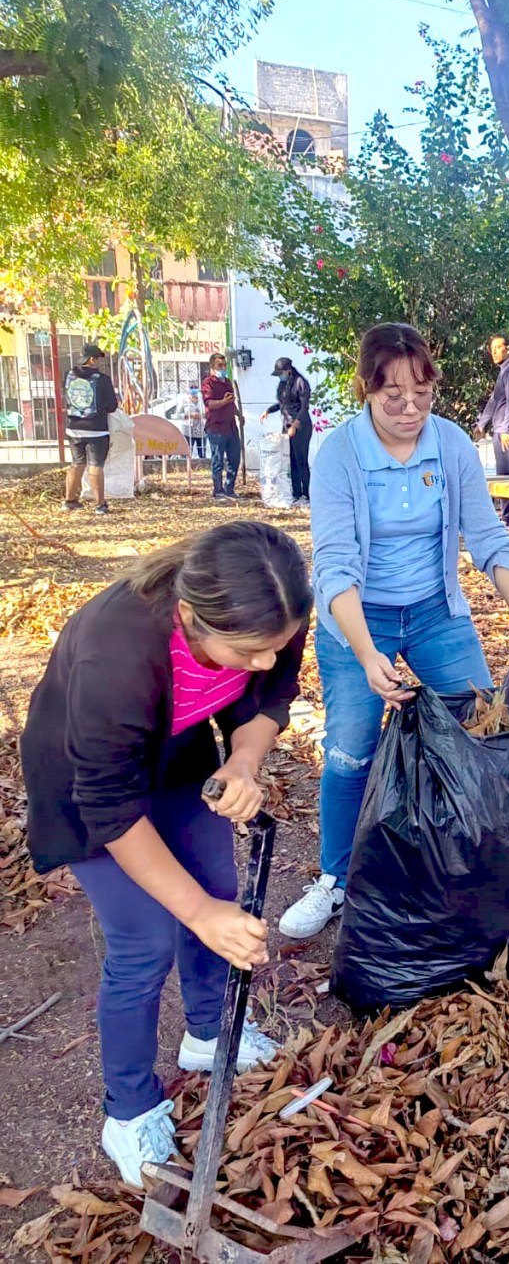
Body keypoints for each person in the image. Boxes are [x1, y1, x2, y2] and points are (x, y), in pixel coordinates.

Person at [21, 522, 311, 1186]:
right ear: (189, 618)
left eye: (275, 644)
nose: (266, 659)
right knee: (146, 937)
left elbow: (274, 691)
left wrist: (243, 760)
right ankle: (127, 1107)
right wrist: (198, 912)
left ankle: (209, 1035)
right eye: (248, 650)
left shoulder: (272, 612)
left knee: (216, 885)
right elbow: (110, 804)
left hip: (178, 757)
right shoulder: (115, 651)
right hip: (88, 790)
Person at [278, 322, 509, 940]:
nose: (410, 409)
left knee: (484, 728)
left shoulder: (451, 445)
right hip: (357, 619)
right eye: (392, 397)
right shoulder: (340, 455)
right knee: (351, 753)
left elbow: (486, 536)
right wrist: (368, 651)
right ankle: (336, 878)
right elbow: (336, 565)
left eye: (423, 395)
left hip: (434, 611)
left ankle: (478, 863)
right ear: (365, 391)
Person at [475, 334, 509, 527]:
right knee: (503, 474)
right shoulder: (505, 371)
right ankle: (504, 517)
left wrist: (507, 429)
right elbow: (495, 400)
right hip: (502, 430)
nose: (494, 352)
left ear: (508, 349)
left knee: (507, 476)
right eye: (492, 348)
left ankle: (506, 518)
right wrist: (482, 424)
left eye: (498, 347)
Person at [63, 343, 119, 515]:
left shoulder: (68, 375)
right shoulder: (102, 379)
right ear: (92, 359)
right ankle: (100, 505)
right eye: (98, 359)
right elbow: (112, 406)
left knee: (77, 463)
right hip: (97, 429)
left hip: (74, 428)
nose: (100, 363)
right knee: (95, 465)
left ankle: (69, 500)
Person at [261, 356, 312, 505]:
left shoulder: (300, 383)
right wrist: (268, 410)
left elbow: (304, 408)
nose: (280, 377)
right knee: (292, 461)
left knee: (301, 460)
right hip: (287, 426)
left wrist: (295, 426)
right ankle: (296, 493)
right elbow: (282, 404)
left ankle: (306, 493)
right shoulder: (284, 384)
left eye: (281, 373)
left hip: (300, 426)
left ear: (288, 371)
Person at [201, 354, 241, 501]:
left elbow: (231, 402)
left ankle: (229, 489)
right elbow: (210, 404)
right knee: (218, 459)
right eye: (220, 366)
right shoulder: (207, 383)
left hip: (231, 426)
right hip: (216, 427)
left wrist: (239, 415)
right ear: (212, 367)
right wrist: (223, 402)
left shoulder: (228, 382)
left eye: (225, 365)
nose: (223, 368)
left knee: (235, 458)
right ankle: (218, 491)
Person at [175, 384, 206, 459]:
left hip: (201, 431)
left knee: (202, 454)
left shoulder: (202, 399)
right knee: (186, 454)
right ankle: (186, 468)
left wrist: (202, 415)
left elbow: (208, 412)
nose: (194, 389)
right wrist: (190, 415)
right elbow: (178, 415)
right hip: (188, 431)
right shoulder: (184, 400)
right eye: (191, 387)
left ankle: (201, 467)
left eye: (196, 387)